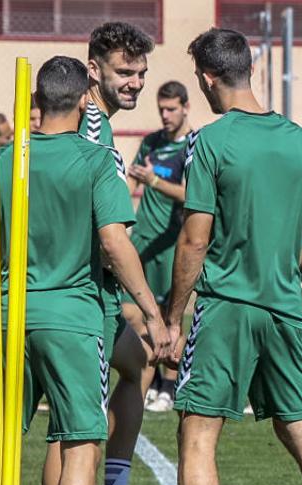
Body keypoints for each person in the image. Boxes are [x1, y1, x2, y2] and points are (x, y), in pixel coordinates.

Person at [0, 55, 169, 485]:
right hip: (72, 320)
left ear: (36, 102)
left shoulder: (2, 158)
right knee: (80, 444)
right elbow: (115, 243)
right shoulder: (96, 159)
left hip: (8, 317)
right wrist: (153, 313)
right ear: (82, 101)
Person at [166, 28, 302, 485]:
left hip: (226, 307)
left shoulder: (210, 140)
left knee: (198, 435)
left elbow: (194, 239)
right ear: (250, 70)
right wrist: (285, 267)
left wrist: (172, 315)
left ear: (206, 78)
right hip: (285, 309)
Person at [67, 20, 159, 485]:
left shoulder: (100, 124)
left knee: (139, 362)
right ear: (93, 69)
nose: (135, 83)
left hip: (97, 292)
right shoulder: (90, 127)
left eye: (141, 73)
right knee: (75, 435)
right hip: (82, 295)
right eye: (125, 72)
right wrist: (145, 304)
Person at [119, 80, 194, 415]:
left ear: (185, 107)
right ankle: (144, 379)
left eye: (171, 109)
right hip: (142, 241)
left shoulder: (192, 146)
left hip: (170, 243)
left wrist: (156, 182)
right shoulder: (151, 142)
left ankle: (168, 385)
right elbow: (132, 179)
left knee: (168, 317)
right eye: (161, 109)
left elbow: (192, 196)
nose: (165, 115)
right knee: (133, 312)